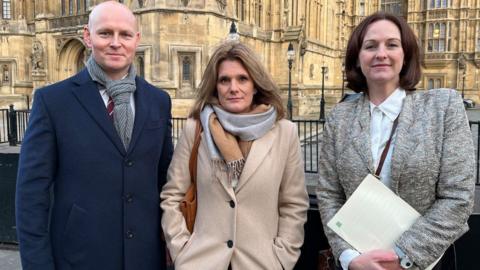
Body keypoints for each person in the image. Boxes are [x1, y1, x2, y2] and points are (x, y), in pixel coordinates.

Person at [15, 1, 173, 269]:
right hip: (80, 258)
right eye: (105, 33)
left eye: (124, 34)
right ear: (87, 37)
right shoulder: (53, 101)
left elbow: (166, 181)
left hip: (146, 258)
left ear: (136, 40)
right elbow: (31, 195)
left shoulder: (158, 100)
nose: (115, 43)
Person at [317, 12, 475, 270]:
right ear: (358, 58)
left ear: (406, 54)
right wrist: (348, 258)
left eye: (392, 44)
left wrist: (403, 258)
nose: (381, 53)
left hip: (426, 262)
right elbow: (329, 194)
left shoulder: (443, 107)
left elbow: (457, 197)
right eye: (370, 46)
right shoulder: (339, 118)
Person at [160, 41, 309, 270]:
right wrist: (182, 251)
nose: (233, 88)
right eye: (224, 80)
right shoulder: (196, 128)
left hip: (261, 264)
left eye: (242, 79)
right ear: (215, 86)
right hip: (202, 262)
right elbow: (172, 196)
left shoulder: (284, 132)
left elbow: (293, 204)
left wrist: (282, 258)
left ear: (256, 84)